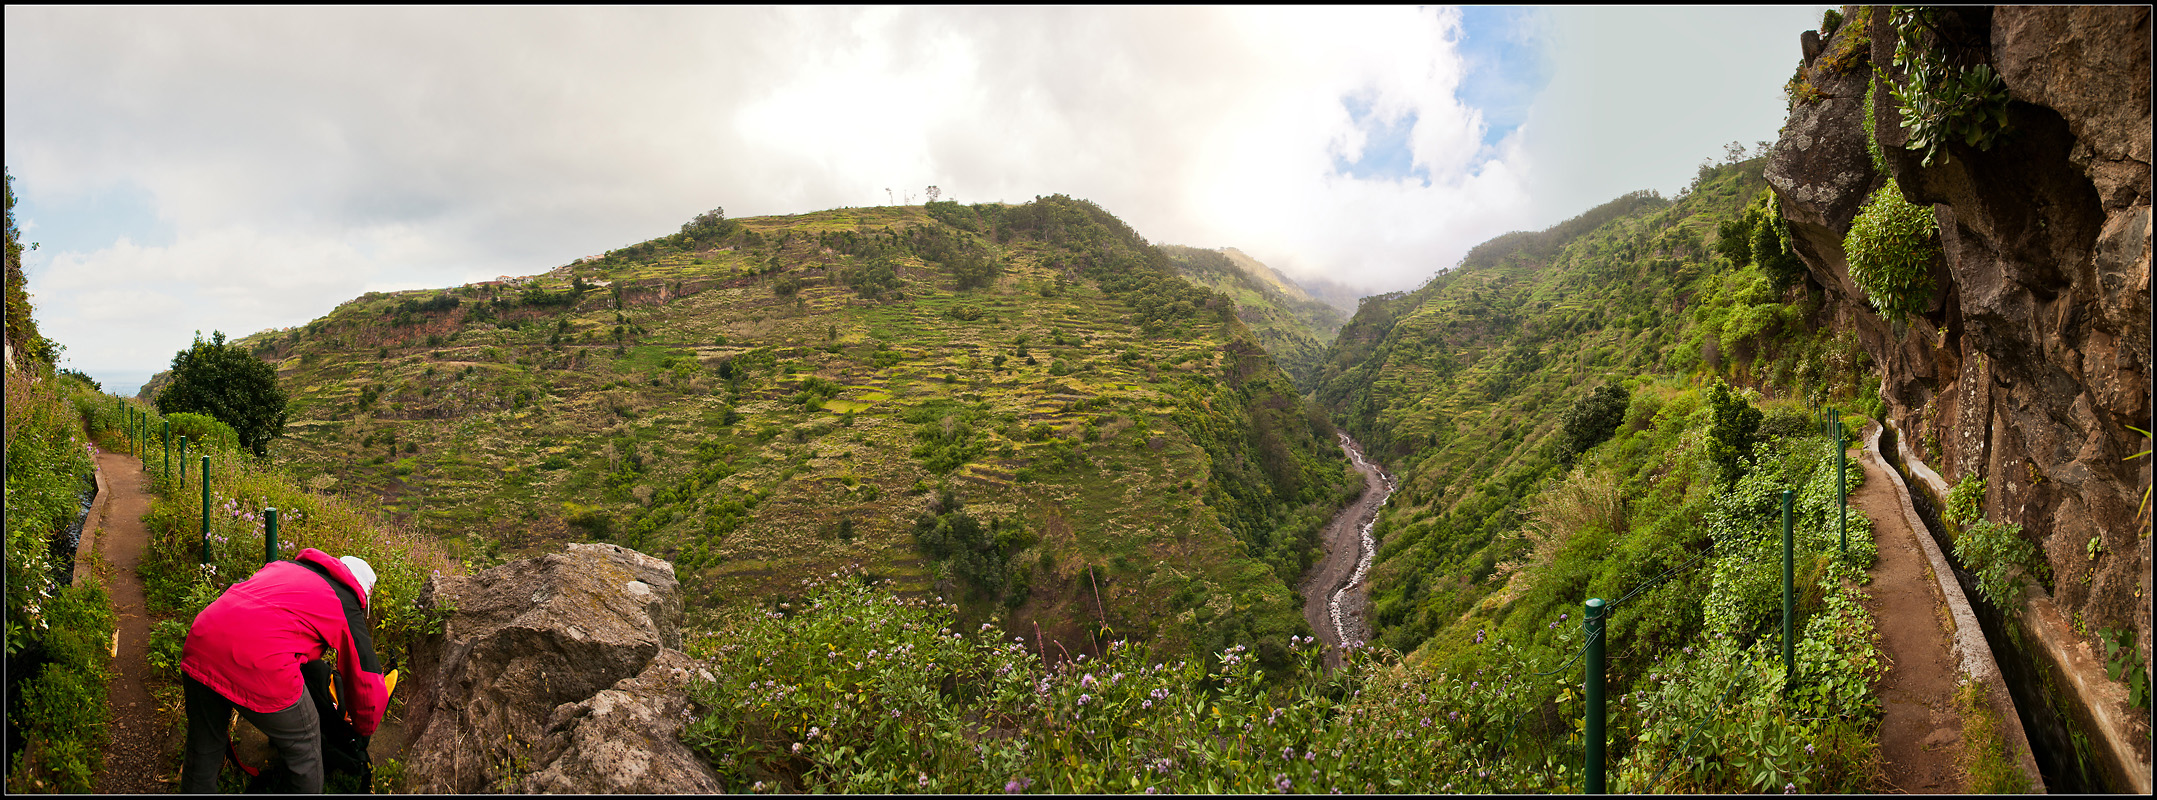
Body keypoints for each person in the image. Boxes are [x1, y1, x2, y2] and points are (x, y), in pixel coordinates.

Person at [179, 548, 389, 793]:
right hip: (259, 662)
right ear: (363, 593)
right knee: (306, 745)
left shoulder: (285, 567)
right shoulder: (346, 600)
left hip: (202, 640)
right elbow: (366, 679)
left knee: (203, 745)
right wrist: (361, 730)